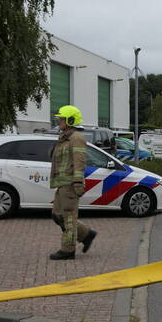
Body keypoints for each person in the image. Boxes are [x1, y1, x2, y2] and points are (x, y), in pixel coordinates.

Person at [48, 105, 98, 260]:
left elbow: (79, 162)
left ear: (70, 120)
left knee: (68, 218)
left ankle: (68, 250)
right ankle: (86, 234)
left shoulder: (76, 138)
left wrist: (77, 183)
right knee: (58, 216)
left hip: (70, 184)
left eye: (61, 119)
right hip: (62, 183)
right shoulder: (65, 137)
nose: (58, 122)